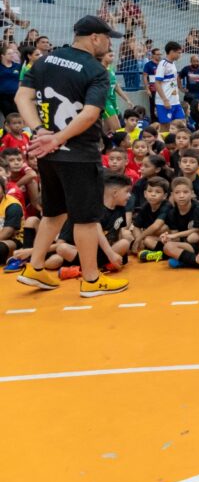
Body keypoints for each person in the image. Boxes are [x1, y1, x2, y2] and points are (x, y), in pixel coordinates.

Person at [14, 15, 128, 297]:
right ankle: (91, 280)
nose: (109, 45)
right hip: (78, 155)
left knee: (54, 213)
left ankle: (35, 268)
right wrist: (58, 137)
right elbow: (90, 114)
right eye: (107, 38)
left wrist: (40, 131)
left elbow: (21, 98)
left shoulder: (44, 61)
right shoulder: (96, 69)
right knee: (86, 219)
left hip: (48, 154)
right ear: (95, 38)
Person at [155, 41, 185, 130]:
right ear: (172, 52)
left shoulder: (172, 64)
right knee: (165, 127)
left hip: (175, 101)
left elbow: (171, 82)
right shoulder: (163, 64)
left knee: (181, 124)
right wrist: (165, 100)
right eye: (178, 53)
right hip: (165, 102)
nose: (180, 55)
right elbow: (157, 83)